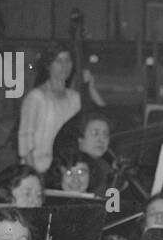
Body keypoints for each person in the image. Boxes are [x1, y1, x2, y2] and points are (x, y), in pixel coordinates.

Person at [18, 45, 105, 174]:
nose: (64, 66)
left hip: (67, 171)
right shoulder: (36, 97)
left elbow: (102, 117)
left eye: (68, 61)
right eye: (59, 61)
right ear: (48, 66)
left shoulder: (75, 98)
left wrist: (91, 88)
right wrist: (34, 174)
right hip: (39, 168)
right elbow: (25, 140)